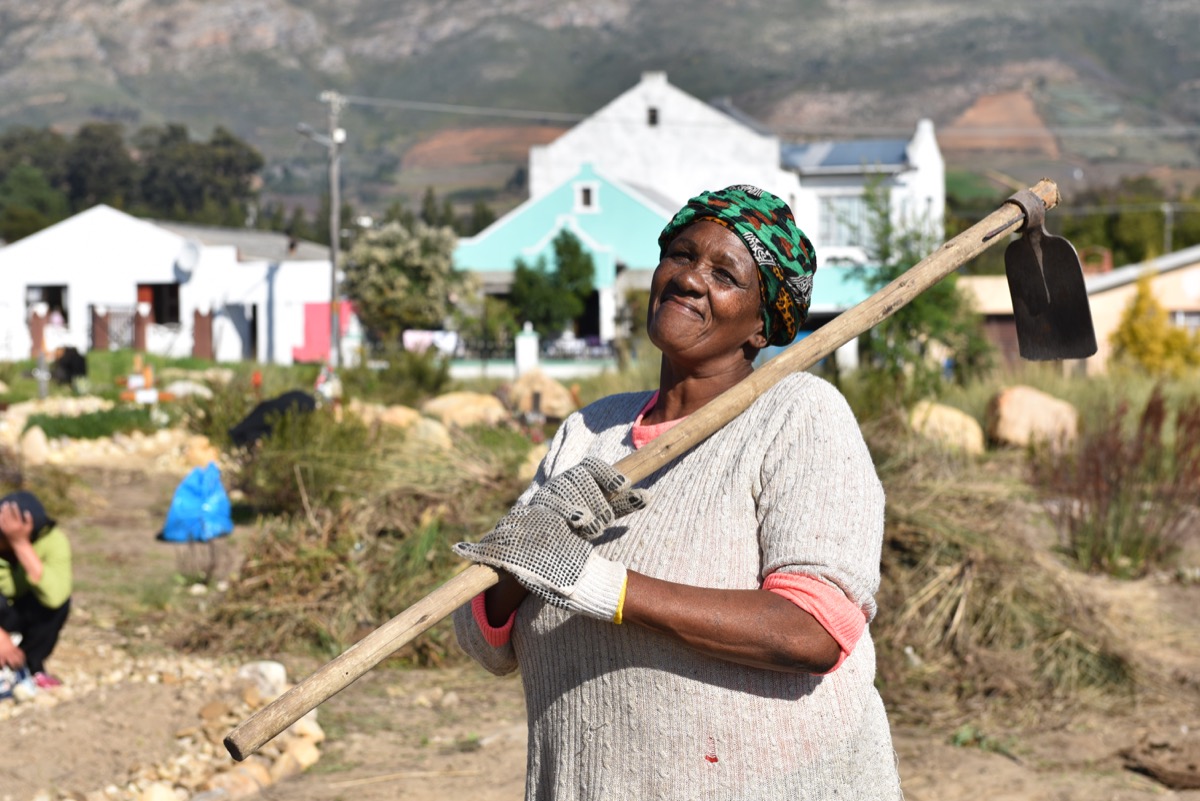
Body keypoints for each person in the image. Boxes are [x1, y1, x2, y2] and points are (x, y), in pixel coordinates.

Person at [452, 184, 901, 799]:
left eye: (725, 274)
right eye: (682, 255)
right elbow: (486, 640)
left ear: (762, 323)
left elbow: (813, 630)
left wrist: (600, 584)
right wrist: (522, 554)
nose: (690, 279)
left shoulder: (797, 416)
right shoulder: (590, 431)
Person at [0, 491, 71, 689]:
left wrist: (20, 544)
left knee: (57, 604)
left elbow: (56, 596)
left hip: (21, 611)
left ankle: (30, 667)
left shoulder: (53, 540)